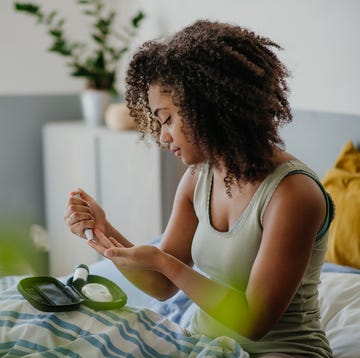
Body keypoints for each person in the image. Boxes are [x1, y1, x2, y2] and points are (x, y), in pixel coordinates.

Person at [64, 20, 334, 357]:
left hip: (279, 349)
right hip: (203, 342)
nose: (163, 137)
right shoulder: (197, 179)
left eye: (167, 120)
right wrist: (104, 233)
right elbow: (161, 287)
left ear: (206, 108)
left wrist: (166, 263)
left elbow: (253, 321)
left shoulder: (293, 193)